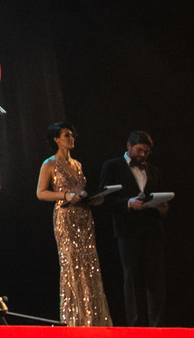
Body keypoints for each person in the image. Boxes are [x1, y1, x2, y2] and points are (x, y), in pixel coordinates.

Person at [35, 122, 111, 326]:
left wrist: (93, 199)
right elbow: (40, 193)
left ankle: (93, 319)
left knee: (89, 266)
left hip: (84, 217)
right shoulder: (49, 164)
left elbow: (81, 192)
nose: (71, 138)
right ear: (56, 139)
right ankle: (75, 320)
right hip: (66, 218)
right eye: (66, 135)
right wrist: (65, 195)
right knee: (72, 265)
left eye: (72, 135)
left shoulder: (77, 164)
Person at [99, 130, 168, 326]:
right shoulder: (112, 166)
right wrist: (127, 203)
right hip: (128, 231)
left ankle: (157, 327)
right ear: (129, 146)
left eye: (146, 151)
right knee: (132, 279)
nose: (143, 155)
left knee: (155, 281)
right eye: (139, 150)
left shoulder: (154, 171)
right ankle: (135, 327)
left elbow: (159, 197)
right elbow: (103, 199)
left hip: (152, 231)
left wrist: (162, 207)